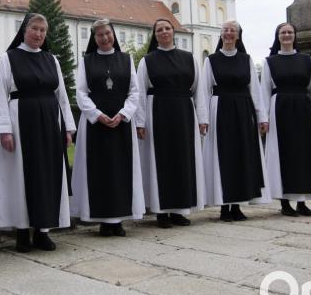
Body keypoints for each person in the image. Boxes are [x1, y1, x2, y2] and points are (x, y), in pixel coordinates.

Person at [0, 13, 77, 252]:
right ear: (24, 30)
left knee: (48, 174)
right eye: (34, 29)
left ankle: (43, 231)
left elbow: (62, 96)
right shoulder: (10, 58)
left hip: (50, 121)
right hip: (21, 121)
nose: (38, 34)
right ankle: (21, 232)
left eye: (42, 30)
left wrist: (68, 128)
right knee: (21, 176)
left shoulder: (51, 59)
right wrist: (4, 130)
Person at [71, 19, 144, 237]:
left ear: (113, 34)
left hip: (121, 124)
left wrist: (123, 114)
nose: (104, 38)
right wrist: (98, 115)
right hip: (96, 125)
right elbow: (81, 93)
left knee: (121, 170)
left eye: (108, 33)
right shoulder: (87, 61)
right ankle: (103, 220)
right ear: (94, 38)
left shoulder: (126, 59)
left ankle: (118, 220)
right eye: (100, 35)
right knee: (100, 171)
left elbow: (134, 91)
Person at [134, 18, 206, 228]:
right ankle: (161, 211)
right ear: (155, 35)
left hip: (184, 112)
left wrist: (202, 119)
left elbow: (198, 90)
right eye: (159, 30)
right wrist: (140, 122)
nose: (164, 32)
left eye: (167, 28)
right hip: (158, 113)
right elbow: (139, 92)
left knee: (184, 160)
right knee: (161, 161)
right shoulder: (147, 61)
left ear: (173, 32)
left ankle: (179, 210)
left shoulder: (189, 58)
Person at [198, 19, 270, 222]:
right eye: (225, 30)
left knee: (242, 156)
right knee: (223, 157)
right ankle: (223, 206)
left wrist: (262, 117)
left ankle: (237, 205)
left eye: (232, 31)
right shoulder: (210, 60)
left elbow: (255, 91)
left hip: (243, 110)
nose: (228, 33)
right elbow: (203, 91)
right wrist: (203, 119)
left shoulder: (246, 59)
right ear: (220, 35)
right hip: (219, 110)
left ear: (238, 36)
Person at [260, 22, 311, 216]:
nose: (287, 35)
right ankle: (284, 203)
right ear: (278, 36)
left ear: (294, 36)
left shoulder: (306, 60)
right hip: (278, 110)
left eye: (290, 32)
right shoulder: (269, 62)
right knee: (282, 155)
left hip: (303, 110)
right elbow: (263, 90)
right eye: (283, 32)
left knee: (304, 155)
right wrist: (263, 118)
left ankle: (302, 202)